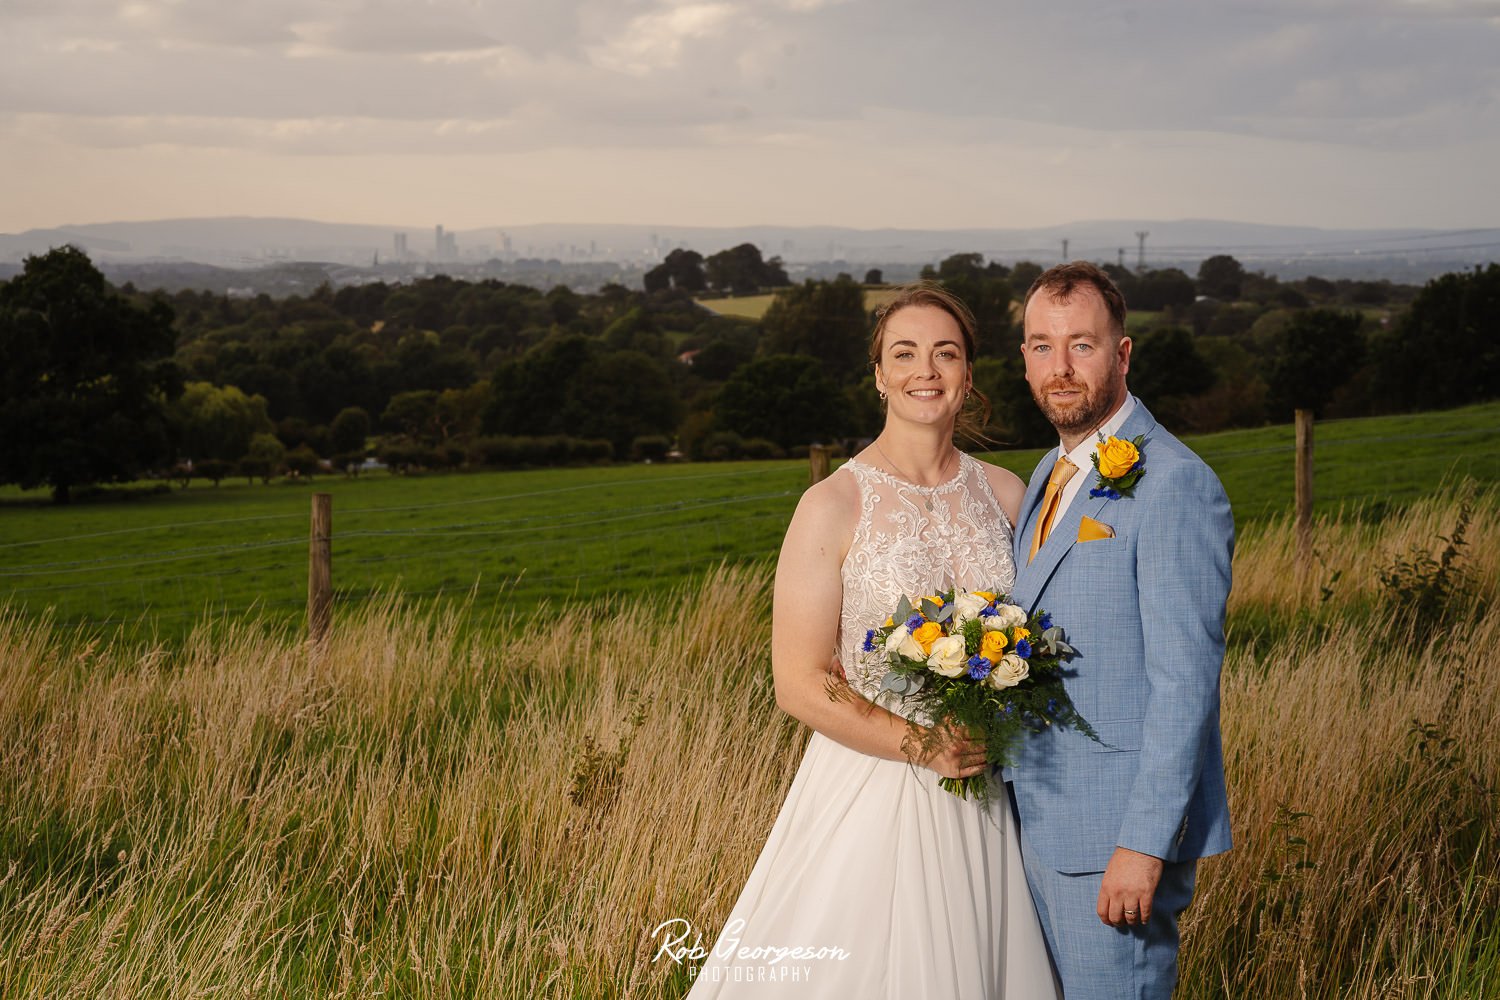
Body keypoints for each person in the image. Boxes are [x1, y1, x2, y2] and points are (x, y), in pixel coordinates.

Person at [684, 283, 1060, 998]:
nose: (927, 370)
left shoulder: (1009, 496)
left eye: (945, 353)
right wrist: (922, 744)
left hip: (988, 790)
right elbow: (798, 682)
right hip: (874, 787)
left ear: (968, 374)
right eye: (905, 353)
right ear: (879, 374)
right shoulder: (832, 505)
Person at [1007, 261, 1234, 999]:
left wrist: (1142, 846)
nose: (1060, 367)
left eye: (1082, 345)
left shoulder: (1174, 483)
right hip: (1038, 822)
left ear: (1123, 354)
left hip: (1115, 838)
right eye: (1042, 346)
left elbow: (1184, 685)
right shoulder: (1049, 471)